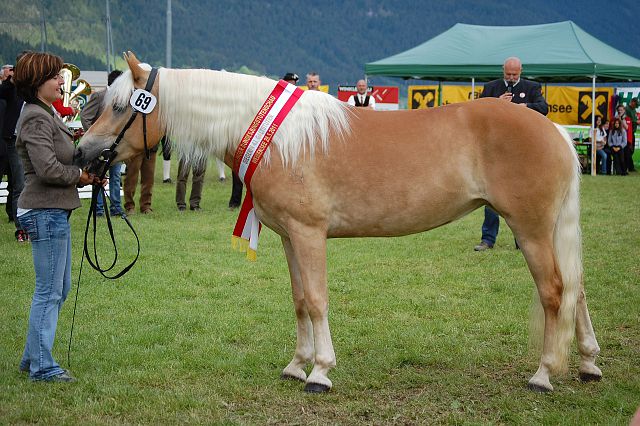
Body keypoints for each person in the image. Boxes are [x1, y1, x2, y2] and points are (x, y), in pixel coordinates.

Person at [13, 51, 99, 382]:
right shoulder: (36, 117)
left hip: (53, 210)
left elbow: (58, 156)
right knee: (49, 291)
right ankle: (43, 367)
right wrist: (81, 176)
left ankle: (32, 357)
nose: (60, 81)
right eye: (54, 76)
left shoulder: (45, 113)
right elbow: (48, 168)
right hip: (44, 210)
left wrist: (86, 165)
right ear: (37, 82)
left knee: (57, 289)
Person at [473, 57, 548, 252]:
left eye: (515, 74)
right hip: (494, 153)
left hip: (521, 152)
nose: (512, 77)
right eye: (508, 74)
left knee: (520, 199)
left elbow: (544, 108)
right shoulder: (491, 88)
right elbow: (476, 113)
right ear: (503, 71)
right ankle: (487, 239)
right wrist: (496, 103)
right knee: (490, 197)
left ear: (521, 70)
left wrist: (524, 108)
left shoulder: (532, 87)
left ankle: (520, 241)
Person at [80, 69, 124, 217]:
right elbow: (85, 116)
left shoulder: (122, 98)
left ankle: (116, 208)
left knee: (116, 177)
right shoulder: (99, 96)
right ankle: (98, 209)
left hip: (116, 146)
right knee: (98, 177)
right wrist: (95, 136)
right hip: (99, 148)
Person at [0, 61, 28, 241]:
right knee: (19, 185)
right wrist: (11, 81)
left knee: (21, 185)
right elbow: (2, 92)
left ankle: (24, 225)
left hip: (27, 139)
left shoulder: (29, 87)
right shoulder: (10, 88)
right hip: (12, 141)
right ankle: (21, 229)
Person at [123, 145, 158, 215]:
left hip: (151, 148)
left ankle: (146, 205)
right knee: (131, 178)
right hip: (135, 148)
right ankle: (129, 206)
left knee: (149, 179)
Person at [624, 97, 637, 172]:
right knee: (629, 150)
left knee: (631, 150)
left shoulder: (634, 110)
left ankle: (630, 166)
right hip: (628, 132)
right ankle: (629, 166)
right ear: (632, 102)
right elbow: (628, 120)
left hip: (633, 132)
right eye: (635, 104)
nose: (635, 106)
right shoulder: (627, 109)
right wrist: (636, 121)